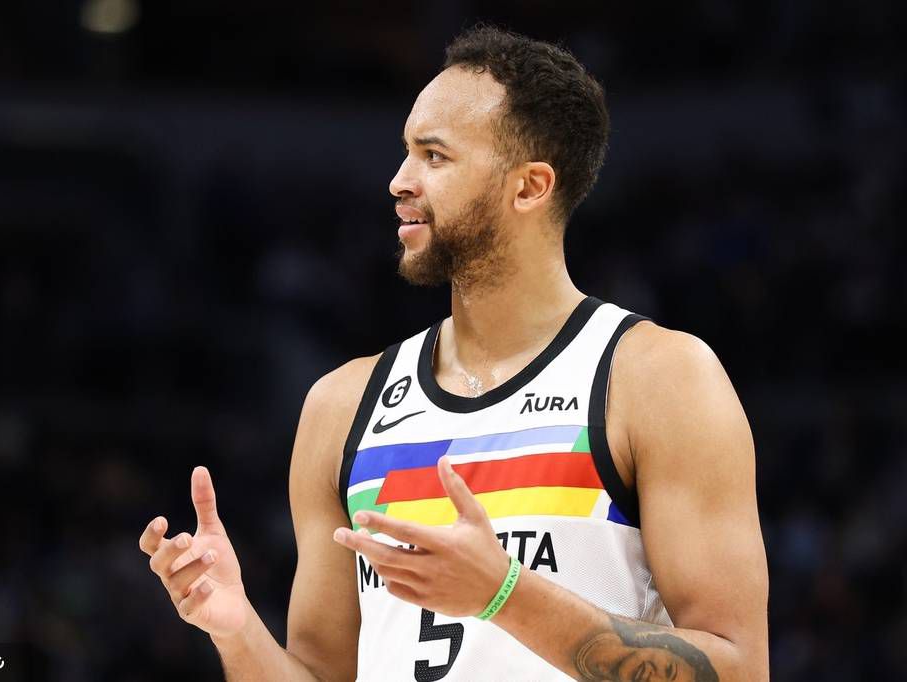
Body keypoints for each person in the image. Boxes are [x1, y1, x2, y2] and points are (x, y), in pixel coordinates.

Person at [137, 25, 769, 682]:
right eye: (406, 151)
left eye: (434, 157)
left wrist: (503, 593)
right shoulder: (342, 405)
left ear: (529, 187)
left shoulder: (659, 380)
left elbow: (742, 670)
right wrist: (236, 632)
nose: (398, 180)